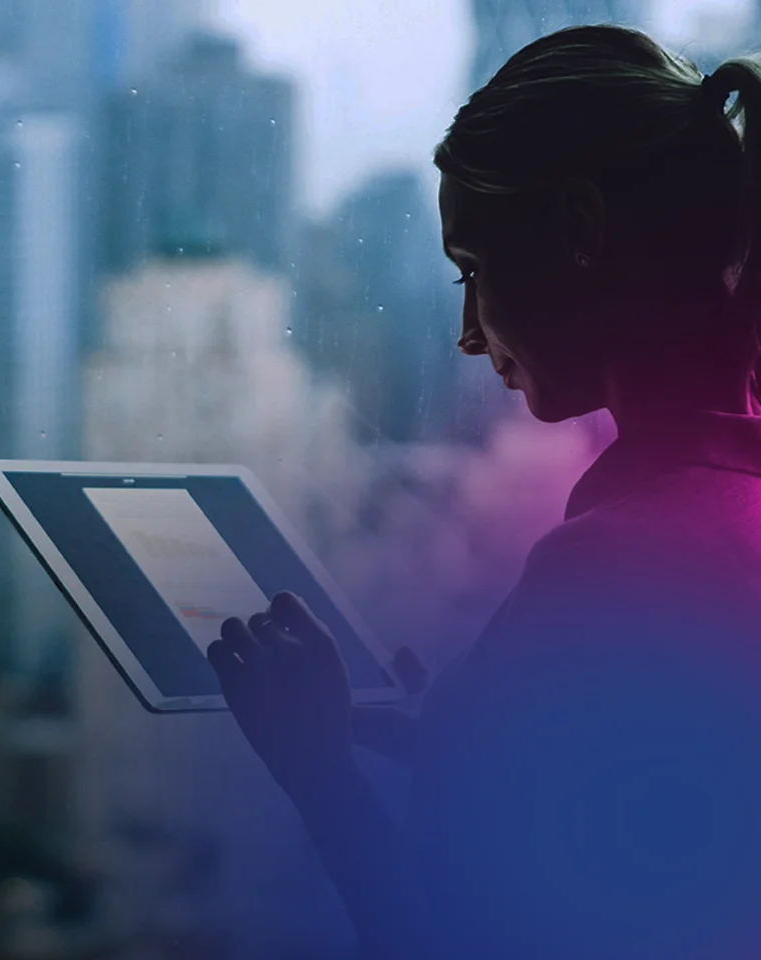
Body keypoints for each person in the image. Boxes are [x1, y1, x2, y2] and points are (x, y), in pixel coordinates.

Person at [210, 25, 761, 959]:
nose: (469, 332)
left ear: (581, 229)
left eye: (474, 272)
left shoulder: (612, 567)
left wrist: (318, 769)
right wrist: (474, 746)